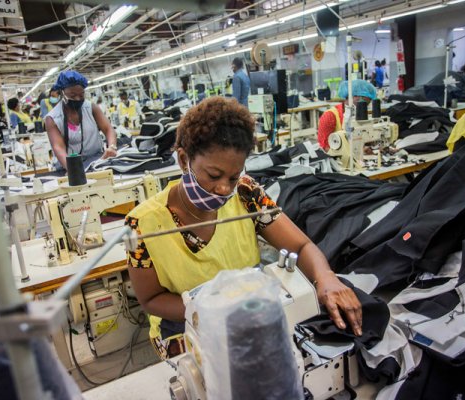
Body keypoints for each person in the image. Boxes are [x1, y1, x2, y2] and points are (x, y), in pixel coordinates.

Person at [126, 97, 363, 360]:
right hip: (183, 323)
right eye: (214, 175)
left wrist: (326, 279)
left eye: (233, 176)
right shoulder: (141, 225)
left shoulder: (246, 193)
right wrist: (210, 310)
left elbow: (301, 246)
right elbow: (150, 300)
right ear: (184, 160)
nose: (225, 188)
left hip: (248, 313)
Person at [44, 70, 117, 170]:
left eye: (81, 95)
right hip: (68, 164)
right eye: (73, 96)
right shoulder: (52, 118)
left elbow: (108, 129)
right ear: (62, 93)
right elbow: (58, 147)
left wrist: (112, 147)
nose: (78, 99)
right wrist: (73, 172)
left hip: (98, 160)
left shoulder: (91, 108)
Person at [317, 79, 377, 151]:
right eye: (362, 103)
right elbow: (326, 148)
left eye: (366, 105)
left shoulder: (360, 114)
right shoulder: (329, 116)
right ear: (352, 96)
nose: (363, 108)